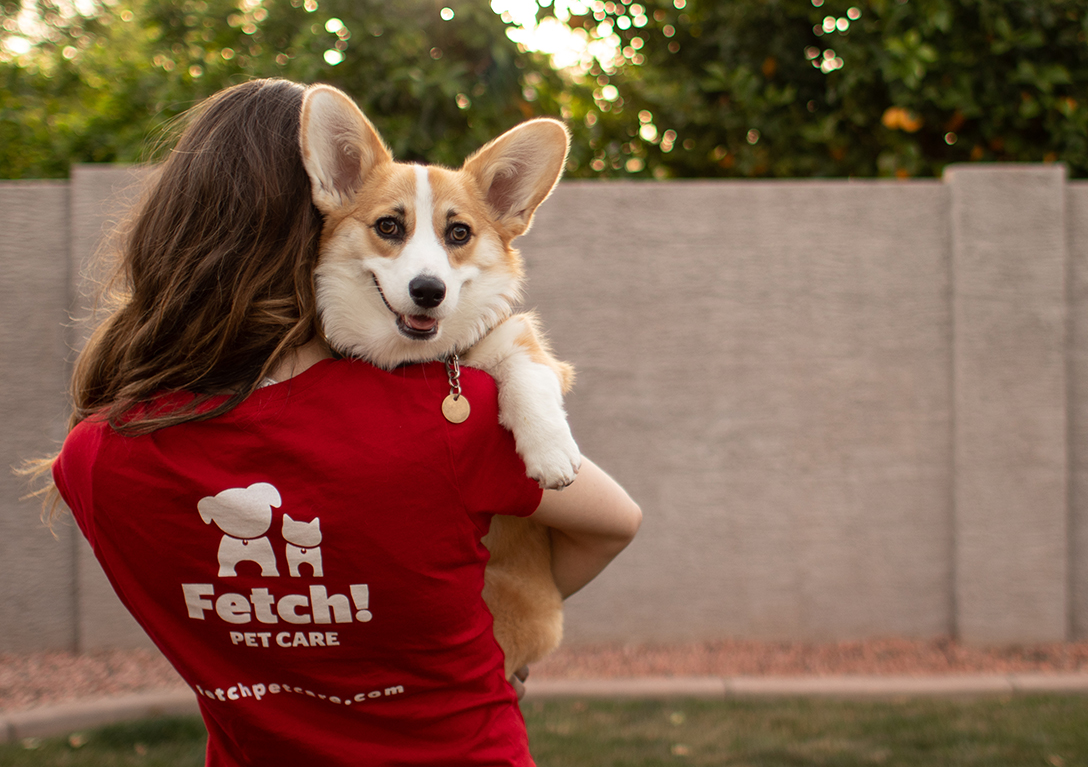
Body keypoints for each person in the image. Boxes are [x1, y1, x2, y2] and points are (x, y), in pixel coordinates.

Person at [32, 78, 641, 766]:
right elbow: (615, 521)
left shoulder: (93, 459)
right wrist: (488, 641)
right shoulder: (449, 420)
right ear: (318, 227)